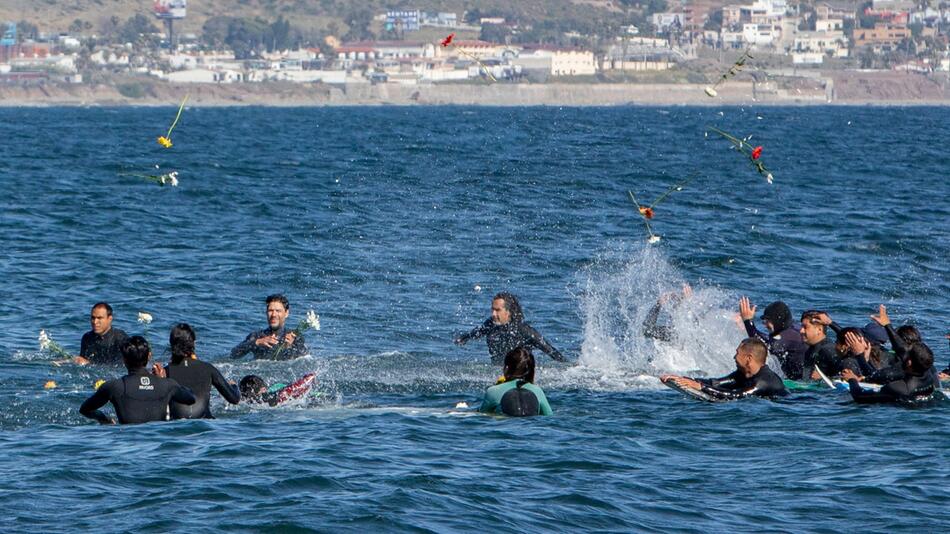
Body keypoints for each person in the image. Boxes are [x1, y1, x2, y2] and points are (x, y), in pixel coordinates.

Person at [79, 336, 195, 425]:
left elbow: (84, 409)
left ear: (124, 359)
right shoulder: (167, 385)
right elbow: (190, 398)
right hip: (159, 444)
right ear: (149, 356)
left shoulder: (114, 386)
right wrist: (163, 380)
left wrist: (104, 420)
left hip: (127, 443)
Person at [157, 323, 241, 419]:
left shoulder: (164, 372)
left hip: (176, 424)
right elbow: (234, 399)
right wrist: (234, 386)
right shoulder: (208, 368)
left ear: (172, 345)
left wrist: (159, 380)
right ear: (194, 344)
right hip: (205, 425)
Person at [455, 292, 565, 365]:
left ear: (509, 312)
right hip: (497, 372)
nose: (493, 314)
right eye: (492, 309)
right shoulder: (490, 324)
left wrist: (568, 366)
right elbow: (475, 333)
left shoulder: (523, 330)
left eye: (497, 310)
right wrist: (464, 338)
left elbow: (549, 350)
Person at [660, 338, 788, 400]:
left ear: (748, 358)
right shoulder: (743, 374)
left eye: (737, 353)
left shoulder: (764, 382)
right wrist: (683, 379)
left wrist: (700, 387)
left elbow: (736, 396)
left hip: (792, 405)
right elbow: (716, 383)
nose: (734, 357)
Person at [843, 343, 936, 404]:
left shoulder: (898, 388)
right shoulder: (928, 374)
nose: (903, 356)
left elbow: (859, 397)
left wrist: (852, 380)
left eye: (906, 355)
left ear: (909, 363)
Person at [738, 297, 807, 379]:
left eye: (767, 320)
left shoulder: (789, 335)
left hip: (801, 382)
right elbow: (769, 339)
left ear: (777, 320)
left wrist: (747, 322)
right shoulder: (791, 328)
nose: (765, 324)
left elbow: (764, 345)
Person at [230, 294, 308, 360]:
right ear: (266, 312)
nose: (273, 315)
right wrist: (255, 343)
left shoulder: (295, 337)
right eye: (270, 310)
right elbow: (233, 355)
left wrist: (290, 347)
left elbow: (305, 358)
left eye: (278, 311)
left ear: (286, 313)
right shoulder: (257, 336)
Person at [479, 347, 553, 416]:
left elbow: (483, 416)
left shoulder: (493, 391)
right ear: (532, 370)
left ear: (506, 368)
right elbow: (549, 416)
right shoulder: (538, 391)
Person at [799, 310, 850, 380]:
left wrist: (824, 378)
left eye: (805, 327)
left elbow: (846, 375)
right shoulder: (810, 349)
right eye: (801, 327)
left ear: (819, 330)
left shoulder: (829, 350)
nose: (801, 331)